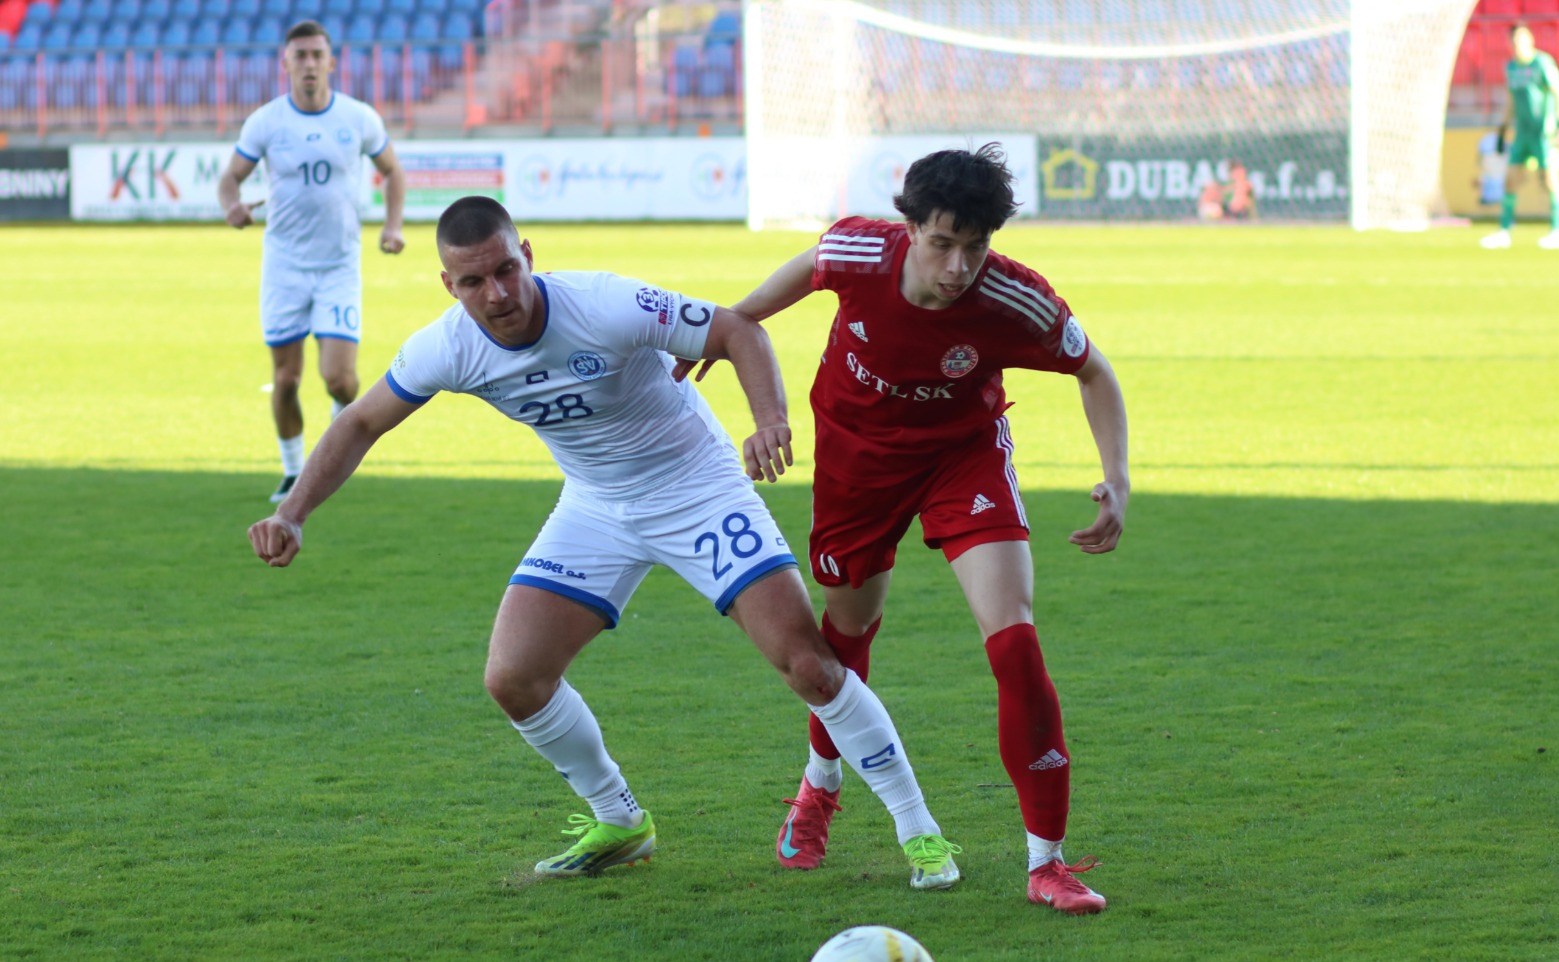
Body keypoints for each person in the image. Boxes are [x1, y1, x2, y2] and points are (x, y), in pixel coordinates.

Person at [247, 196, 962, 888]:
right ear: (449, 285)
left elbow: (738, 331)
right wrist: (294, 513)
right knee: (514, 678)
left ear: (527, 255)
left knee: (807, 665)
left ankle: (919, 830)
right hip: (595, 506)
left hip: (696, 487)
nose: (496, 293)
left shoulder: (604, 304)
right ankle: (619, 821)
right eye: (473, 281)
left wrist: (768, 418)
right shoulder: (447, 347)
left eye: (506, 269)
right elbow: (359, 422)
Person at [684, 145, 1129, 915]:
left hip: (962, 459)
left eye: (975, 247)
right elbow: (753, 309)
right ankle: (820, 785)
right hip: (856, 465)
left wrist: (1115, 479)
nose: (958, 267)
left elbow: (1095, 371)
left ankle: (1047, 864)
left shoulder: (1014, 300)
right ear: (910, 227)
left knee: (1015, 642)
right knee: (845, 638)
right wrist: (724, 346)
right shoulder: (855, 251)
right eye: (942, 243)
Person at [217, 19, 407, 504]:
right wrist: (232, 207)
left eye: (316, 55)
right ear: (285, 63)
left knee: (341, 379)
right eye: (299, 55)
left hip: (338, 267)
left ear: (331, 62)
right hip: (284, 268)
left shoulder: (357, 117)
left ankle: (336, 444)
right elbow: (230, 178)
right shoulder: (266, 122)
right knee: (286, 379)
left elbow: (392, 171)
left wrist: (393, 226)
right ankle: (291, 470)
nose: (308, 64)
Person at [1480, 23, 1559, 251]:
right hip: (1522, 132)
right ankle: (1504, 231)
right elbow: (1511, 100)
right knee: (1510, 180)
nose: (1516, 45)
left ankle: (1557, 231)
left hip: (1544, 132)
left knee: (1550, 179)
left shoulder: (1542, 63)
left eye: (1520, 39)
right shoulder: (1511, 68)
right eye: (1512, 41)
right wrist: (1502, 129)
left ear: (1530, 40)